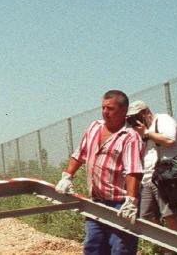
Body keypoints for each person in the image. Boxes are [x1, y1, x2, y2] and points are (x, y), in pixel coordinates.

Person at [56, 90, 144, 255]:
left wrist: (131, 201)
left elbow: (133, 170)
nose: (105, 112)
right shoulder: (94, 127)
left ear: (123, 111)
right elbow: (80, 153)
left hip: (120, 204)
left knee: (120, 249)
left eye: (110, 109)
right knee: (93, 246)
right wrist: (67, 176)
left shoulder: (130, 137)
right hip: (96, 202)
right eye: (103, 107)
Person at [127, 100, 177, 247]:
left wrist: (147, 133)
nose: (135, 121)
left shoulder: (163, 120)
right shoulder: (142, 131)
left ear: (146, 113)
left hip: (165, 176)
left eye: (137, 117)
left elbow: (169, 140)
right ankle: (167, 247)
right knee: (148, 217)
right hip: (148, 179)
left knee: (170, 216)